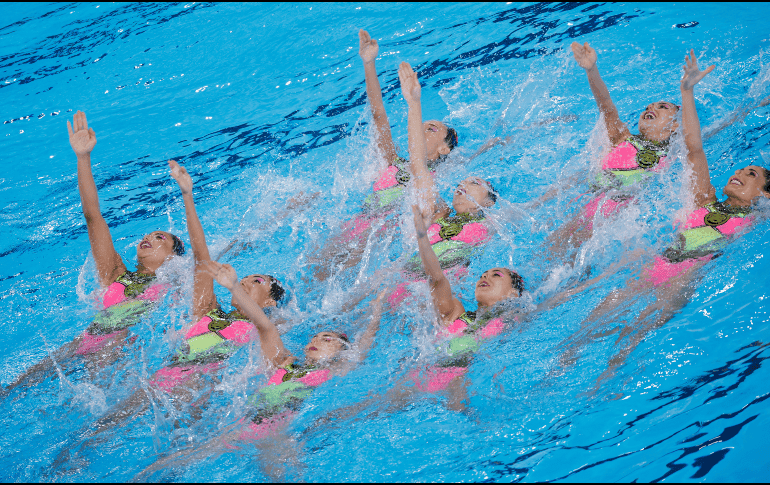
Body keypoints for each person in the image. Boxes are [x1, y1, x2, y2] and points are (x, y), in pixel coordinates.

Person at [558, 49, 770, 388]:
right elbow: (695, 148)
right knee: (601, 310)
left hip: (684, 276)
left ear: (764, 194)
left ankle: (603, 383)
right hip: (657, 260)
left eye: (751, 174)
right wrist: (686, 91)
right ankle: (562, 362)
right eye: (741, 169)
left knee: (635, 331)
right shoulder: (704, 199)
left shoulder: (758, 219)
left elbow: (696, 140)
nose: (740, 173)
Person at [76, 160, 290, 432]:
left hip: (197, 389)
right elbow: (201, 257)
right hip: (159, 379)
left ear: (270, 301)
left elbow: (270, 341)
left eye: (256, 280)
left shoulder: (268, 328)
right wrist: (188, 195)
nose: (245, 281)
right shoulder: (207, 310)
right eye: (244, 278)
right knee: (98, 429)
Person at [136, 262, 386, 481]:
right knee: (168, 464)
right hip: (242, 425)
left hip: (277, 434)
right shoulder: (284, 362)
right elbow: (265, 326)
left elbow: (362, 346)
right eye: (317, 336)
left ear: (342, 352)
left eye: (328, 339)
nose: (317, 340)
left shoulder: (338, 369)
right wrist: (234, 288)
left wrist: (376, 314)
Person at [3, 112, 184, 394]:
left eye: (160, 237)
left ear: (172, 258)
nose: (148, 237)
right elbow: (93, 217)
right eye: (148, 234)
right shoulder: (116, 274)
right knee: (11, 388)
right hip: (83, 341)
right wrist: (83, 158)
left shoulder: (173, 281)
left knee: (95, 426)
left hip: (116, 351)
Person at [307, 29, 459, 281]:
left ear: (444, 149)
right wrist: (368, 64)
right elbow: (378, 116)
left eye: (431, 128)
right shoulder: (393, 164)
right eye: (420, 125)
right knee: (313, 277)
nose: (421, 129)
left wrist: (414, 105)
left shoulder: (430, 182)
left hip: (375, 241)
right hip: (354, 226)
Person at [549, 42, 683, 252]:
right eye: (648, 107)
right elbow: (606, 106)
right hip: (590, 201)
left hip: (620, 214)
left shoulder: (676, 151)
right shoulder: (623, 137)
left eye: (662, 107)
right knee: (553, 247)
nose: (651, 108)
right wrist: (591, 70)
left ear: (675, 124)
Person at [389, 62, 497, 306]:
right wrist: (414, 104)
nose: (463, 186)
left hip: (443, 291)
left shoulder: (496, 223)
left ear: (489, 202)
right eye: (463, 182)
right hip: (406, 284)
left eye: (475, 183)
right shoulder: (438, 212)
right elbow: (418, 165)